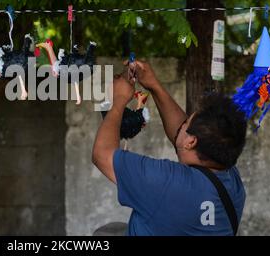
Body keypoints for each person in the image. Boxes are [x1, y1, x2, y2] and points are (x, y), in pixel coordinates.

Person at [92, 61, 247, 236]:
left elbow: (102, 154)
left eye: (186, 122)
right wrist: (154, 86)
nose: (181, 123)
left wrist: (119, 100)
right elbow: (182, 137)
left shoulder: (168, 183)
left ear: (191, 142)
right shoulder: (232, 181)